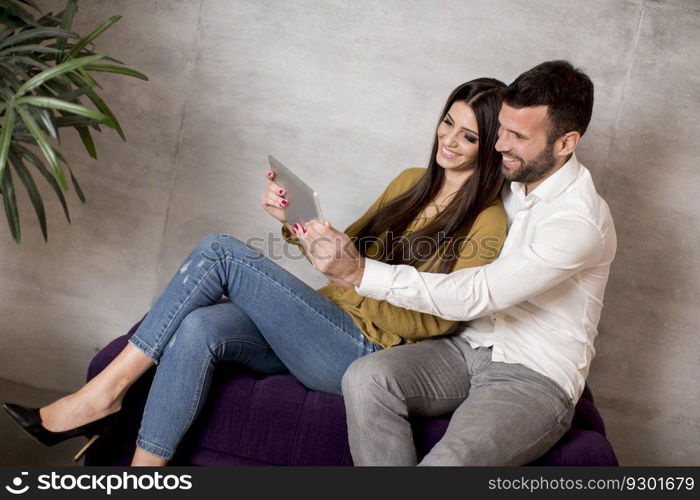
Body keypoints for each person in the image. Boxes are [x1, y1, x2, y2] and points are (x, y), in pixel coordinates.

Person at [4, 78, 510, 466]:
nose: (450, 140)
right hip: (322, 326)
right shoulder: (411, 181)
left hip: (368, 352)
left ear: (491, 146)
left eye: (469, 135)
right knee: (200, 325)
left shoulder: (487, 219)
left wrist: (358, 280)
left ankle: (101, 396)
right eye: (448, 122)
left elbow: (442, 318)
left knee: (220, 252)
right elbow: (342, 250)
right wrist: (293, 222)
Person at [296, 60, 617, 466]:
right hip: (464, 349)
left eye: (517, 136)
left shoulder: (579, 222)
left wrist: (361, 274)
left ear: (566, 143)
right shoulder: (508, 181)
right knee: (367, 376)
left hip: (533, 374)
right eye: (501, 129)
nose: (499, 145)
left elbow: (477, 293)